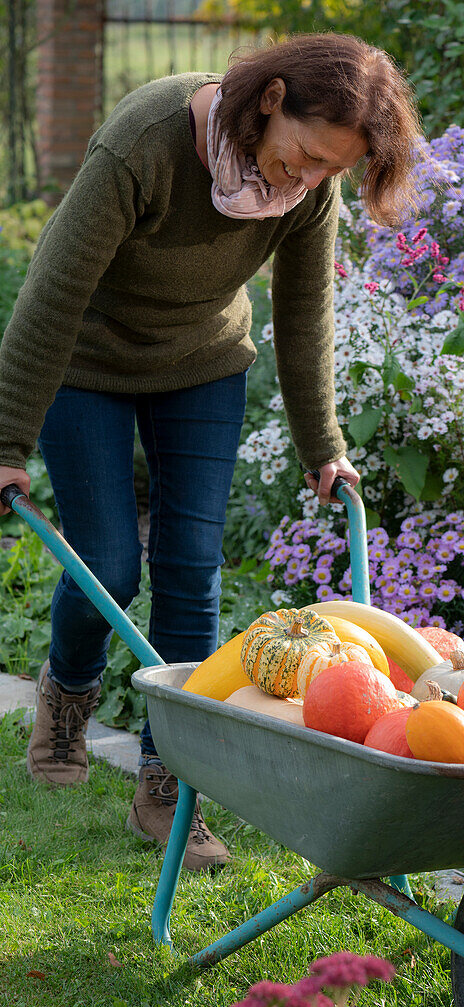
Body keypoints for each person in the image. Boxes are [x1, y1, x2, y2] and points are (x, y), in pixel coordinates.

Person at [0, 33, 421, 871]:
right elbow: (51, 293)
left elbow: (305, 314)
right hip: (88, 363)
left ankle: (168, 788)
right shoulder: (147, 140)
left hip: (201, 367)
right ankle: (68, 694)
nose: (302, 182)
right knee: (110, 565)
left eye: (326, 173)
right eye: (300, 157)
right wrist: (8, 438)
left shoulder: (305, 190)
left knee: (193, 567)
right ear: (269, 100)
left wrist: (323, 445)